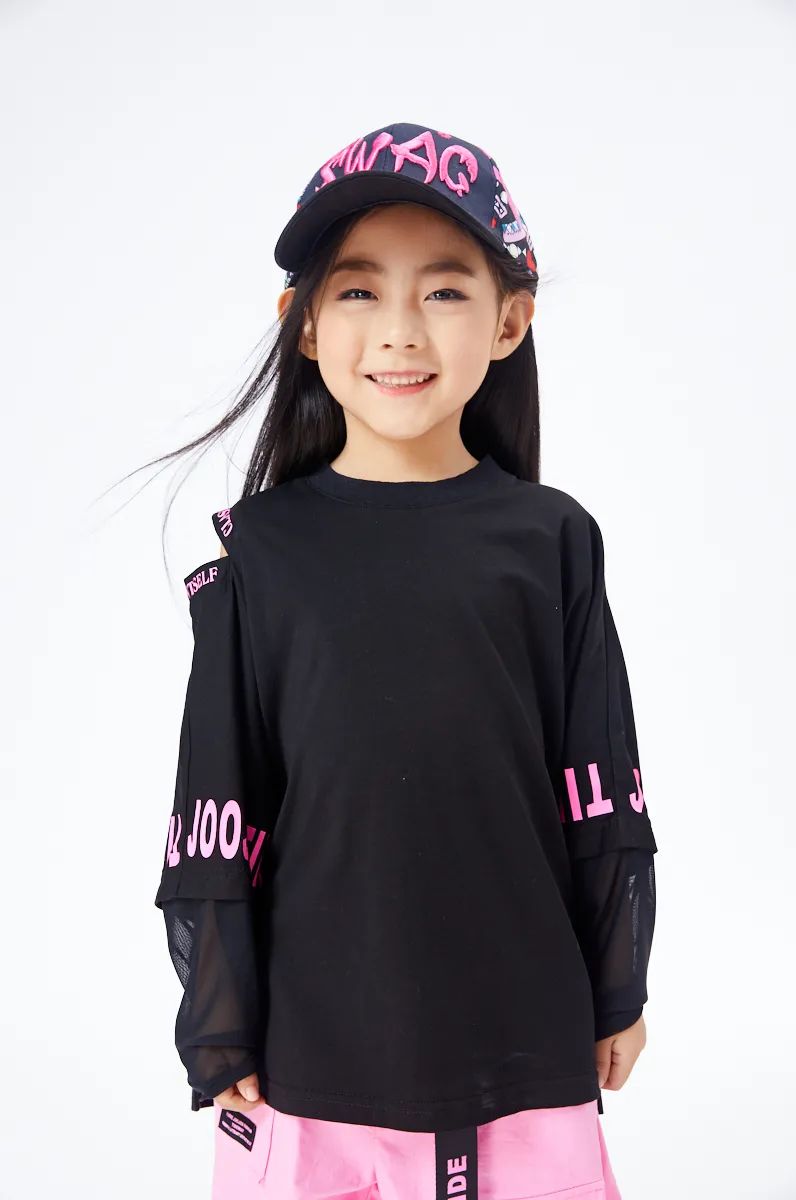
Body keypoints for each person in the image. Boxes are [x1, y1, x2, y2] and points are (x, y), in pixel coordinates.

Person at [152, 121, 658, 1200]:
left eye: (443, 290)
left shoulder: (552, 541)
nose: (399, 331)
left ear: (509, 320)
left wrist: (617, 985)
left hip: (522, 1028)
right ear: (301, 323)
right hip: (314, 1047)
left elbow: (599, 781)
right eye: (357, 291)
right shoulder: (263, 554)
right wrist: (218, 1022)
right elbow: (220, 801)